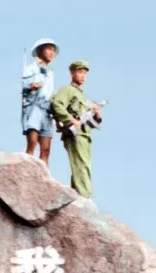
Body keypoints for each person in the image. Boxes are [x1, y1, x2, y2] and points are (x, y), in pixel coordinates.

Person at [50, 60, 102, 198]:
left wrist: (96, 112)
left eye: (85, 73)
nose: (83, 76)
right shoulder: (67, 90)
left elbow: (91, 122)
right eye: (80, 72)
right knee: (81, 164)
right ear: (72, 73)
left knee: (82, 165)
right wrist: (70, 119)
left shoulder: (82, 97)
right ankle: (84, 195)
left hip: (85, 134)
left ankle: (78, 195)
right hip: (74, 133)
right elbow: (57, 105)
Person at [22, 39, 59, 166]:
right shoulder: (31, 68)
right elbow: (24, 85)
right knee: (32, 143)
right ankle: (26, 170)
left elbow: (50, 92)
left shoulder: (50, 73)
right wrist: (32, 85)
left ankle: (44, 177)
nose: (51, 53)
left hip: (47, 111)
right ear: (40, 50)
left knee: (46, 149)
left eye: (53, 50)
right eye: (49, 49)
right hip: (34, 108)